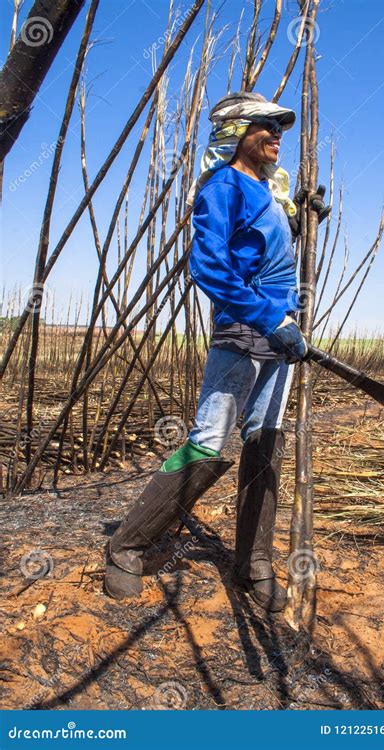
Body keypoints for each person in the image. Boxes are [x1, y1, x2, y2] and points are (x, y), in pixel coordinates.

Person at [104, 91, 330, 612]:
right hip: (245, 331)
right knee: (209, 440)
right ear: (238, 134)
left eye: (280, 127)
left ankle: (253, 564)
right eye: (266, 126)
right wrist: (268, 318)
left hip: (284, 337)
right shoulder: (223, 187)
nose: (277, 135)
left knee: (265, 441)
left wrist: (306, 219)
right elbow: (208, 267)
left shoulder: (270, 193)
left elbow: (269, 247)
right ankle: (126, 548)